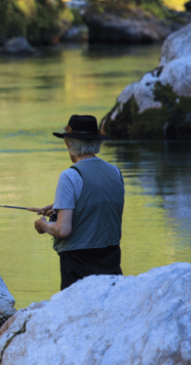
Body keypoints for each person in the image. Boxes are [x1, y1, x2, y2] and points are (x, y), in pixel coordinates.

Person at [31, 114, 124, 290]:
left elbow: (62, 229)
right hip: (111, 259)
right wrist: (61, 205)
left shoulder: (70, 176)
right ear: (97, 142)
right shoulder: (116, 172)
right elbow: (101, 207)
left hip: (78, 266)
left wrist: (42, 225)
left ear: (69, 143)